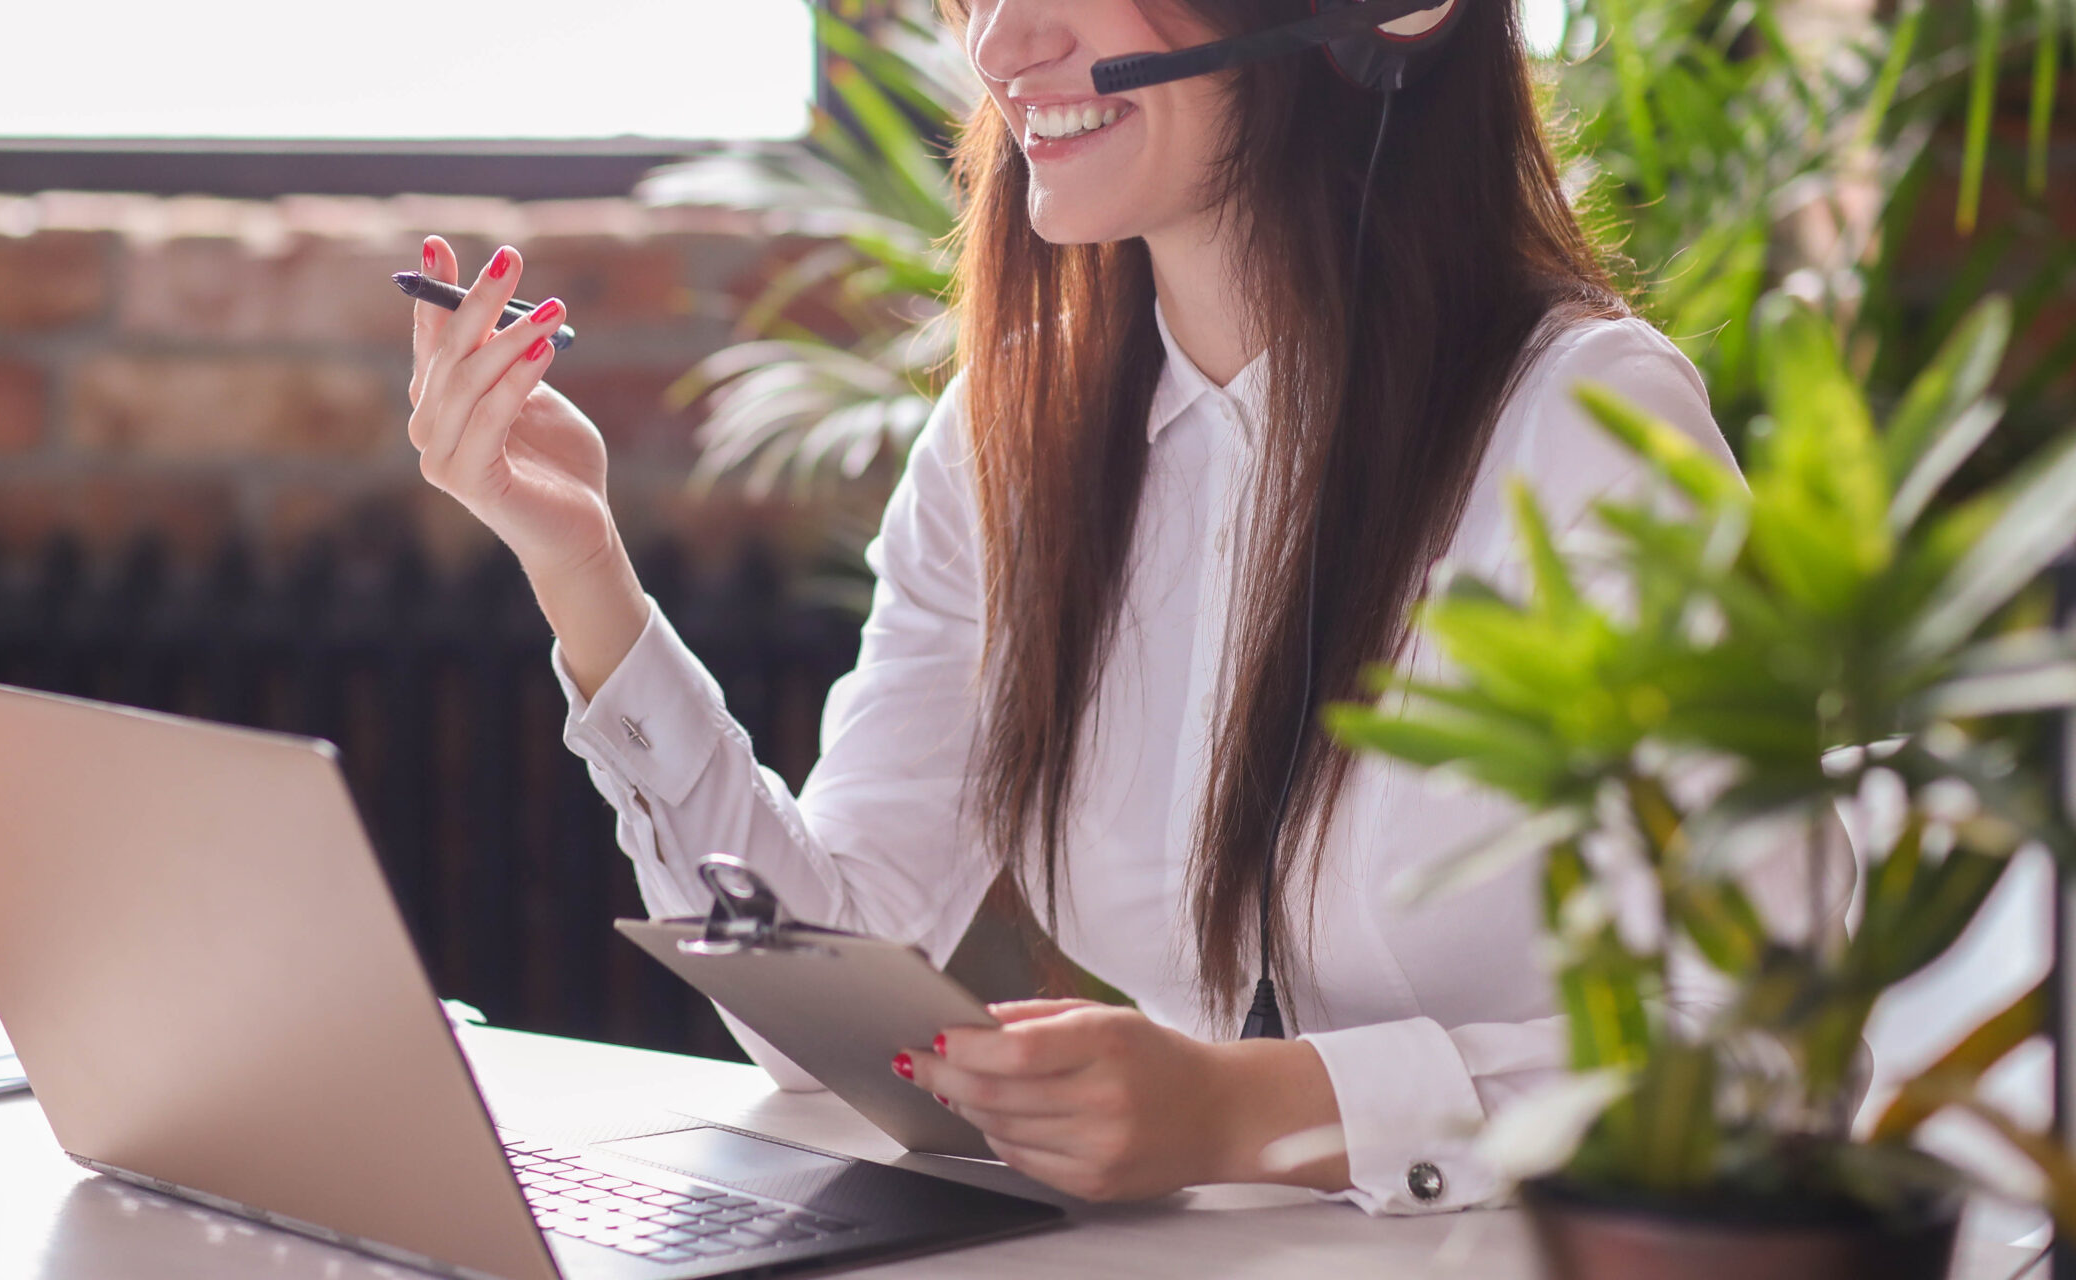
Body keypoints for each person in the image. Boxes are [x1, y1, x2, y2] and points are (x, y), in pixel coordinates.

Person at [401, 0, 1801, 1215]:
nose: (1004, 47)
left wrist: (1256, 1111)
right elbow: (826, 977)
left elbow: (1762, 1063)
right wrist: (580, 572)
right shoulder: (1008, 438)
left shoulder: (1585, 426)